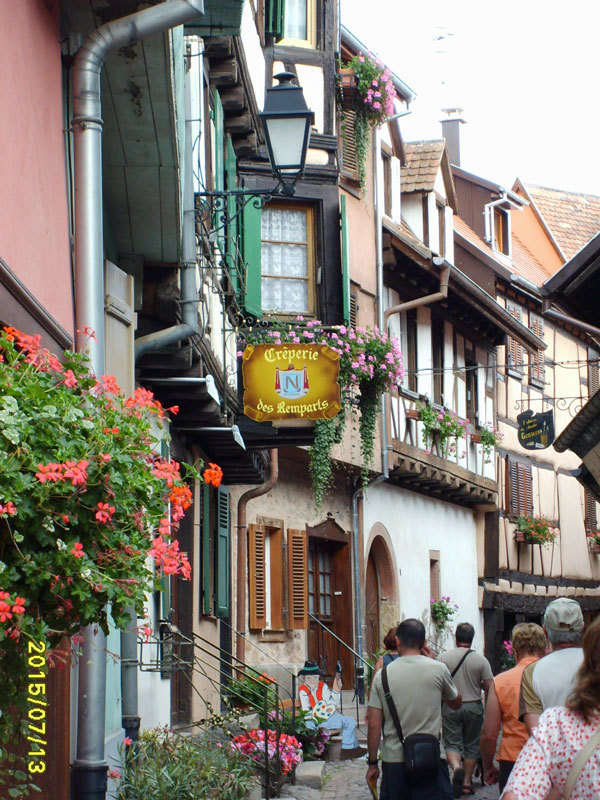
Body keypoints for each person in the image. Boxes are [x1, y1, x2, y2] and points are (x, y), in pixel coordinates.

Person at [503, 615, 600, 800]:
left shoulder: (555, 723)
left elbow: (531, 726)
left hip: (524, 756)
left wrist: (555, 762)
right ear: (581, 630)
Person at [366, 618, 462, 799]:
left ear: (397, 641)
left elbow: (374, 724)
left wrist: (372, 763)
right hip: (431, 756)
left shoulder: (382, 675)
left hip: (395, 760)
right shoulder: (438, 669)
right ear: (424, 643)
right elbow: (456, 703)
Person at [480, 622, 547, 793]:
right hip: (549, 759)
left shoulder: (501, 682)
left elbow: (489, 733)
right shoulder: (553, 677)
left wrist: (488, 766)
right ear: (544, 649)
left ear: (515, 653)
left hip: (513, 759)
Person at [441, 622, 493, 796]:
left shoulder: (444, 658)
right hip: (473, 706)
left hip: (450, 704)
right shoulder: (481, 660)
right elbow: (489, 687)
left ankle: (456, 767)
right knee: (472, 745)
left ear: (456, 637)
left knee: (452, 742)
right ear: (472, 639)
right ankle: (465, 783)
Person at [519, 597, 584, 734]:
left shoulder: (532, 672)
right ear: (583, 629)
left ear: (545, 632)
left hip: (553, 753)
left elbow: (535, 731)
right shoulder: (594, 663)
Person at [297, 660, 366, 760]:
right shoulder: (303, 691)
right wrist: (315, 717)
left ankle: (347, 750)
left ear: (318, 677)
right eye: (309, 677)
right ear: (305, 678)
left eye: (315, 677)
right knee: (308, 726)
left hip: (327, 719)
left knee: (349, 720)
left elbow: (331, 703)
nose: (312, 680)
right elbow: (305, 711)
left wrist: (336, 692)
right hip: (313, 721)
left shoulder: (323, 686)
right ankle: (315, 751)